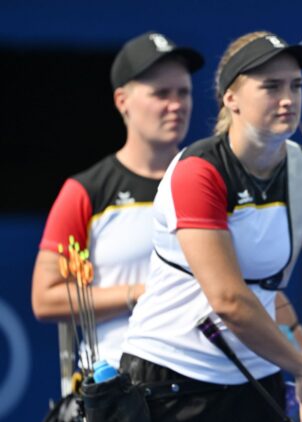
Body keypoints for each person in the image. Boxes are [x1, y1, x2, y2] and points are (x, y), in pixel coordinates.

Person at [111, 31, 302, 422]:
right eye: (270, 86)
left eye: (296, 85)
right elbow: (228, 300)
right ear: (231, 98)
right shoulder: (198, 170)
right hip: (165, 383)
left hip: (253, 390)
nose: (287, 99)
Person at [30, 31, 204, 369]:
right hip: (120, 388)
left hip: (206, 381)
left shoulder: (208, 179)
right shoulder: (87, 191)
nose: (176, 105)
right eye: (161, 94)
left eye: (183, 92)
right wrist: (142, 293)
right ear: (122, 100)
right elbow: (45, 297)